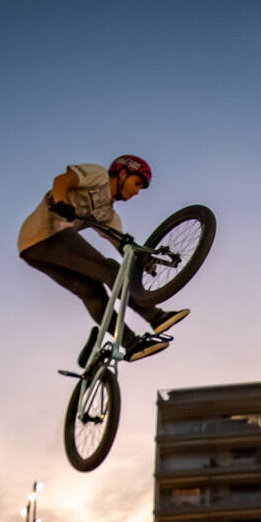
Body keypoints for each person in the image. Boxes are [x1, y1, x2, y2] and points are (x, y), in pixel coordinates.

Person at [19, 155, 188, 366]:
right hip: (48, 233)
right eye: (136, 183)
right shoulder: (99, 176)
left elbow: (122, 246)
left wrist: (146, 262)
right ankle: (156, 317)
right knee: (109, 270)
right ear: (123, 172)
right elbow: (62, 181)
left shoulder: (108, 215)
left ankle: (131, 344)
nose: (137, 192)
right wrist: (61, 202)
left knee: (92, 292)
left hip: (30, 250)